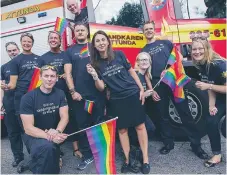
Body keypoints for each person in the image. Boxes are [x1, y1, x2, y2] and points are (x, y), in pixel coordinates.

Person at [141, 21, 208, 159]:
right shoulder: (142, 51)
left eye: (150, 28)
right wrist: (151, 90)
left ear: (154, 30)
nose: (148, 31)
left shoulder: (165, 43)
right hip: (157, 84)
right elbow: (145, 73)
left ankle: (196, 146)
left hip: (174, 81)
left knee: (185, 112)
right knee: (163, 116)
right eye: (146, 29)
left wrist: (169, 70)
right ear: (143, 32)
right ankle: (168, 143)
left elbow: (177, 57)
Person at [87, 30, 150, 174]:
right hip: (115, 99)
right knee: (122, 130)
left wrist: (141, 89)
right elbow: (101, 88)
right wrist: (95, 76)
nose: (101, 43)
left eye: (103, 39)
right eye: (98, 41)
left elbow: (132, 72)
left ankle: (145, 160)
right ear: (94, 45)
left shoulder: (119, 54)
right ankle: (128, 160)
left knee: (140, 126)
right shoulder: (95, 64)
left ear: (108, 41)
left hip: (132, 94)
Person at [64, 23, 105, 170]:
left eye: (82, 30)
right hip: (79, 97)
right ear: (74, 34)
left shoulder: (94, 47)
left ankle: (100, 153)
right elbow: (67, 73)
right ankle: (87, 156)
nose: (80, 32)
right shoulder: (69, 51)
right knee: (83, 127)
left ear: (87, 32)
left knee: (99, 124)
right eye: (77, 30)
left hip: (97, 94)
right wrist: (73, 91)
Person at [20, 65, 69, 174]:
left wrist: (57, 131)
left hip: (54, 131)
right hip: (33, 135)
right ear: (40, 77)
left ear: (56, 78)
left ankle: (35, 163)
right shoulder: (28, 98)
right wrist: (50, 136)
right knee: (48, 147)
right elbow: (28, 128)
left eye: (52, 76)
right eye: (46, 76)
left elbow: (65, 116)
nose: (49, 79)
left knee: (49, 153)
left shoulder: (60, 93)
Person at [40, 30, 82, 158]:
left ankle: (76, 149)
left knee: (71, 119)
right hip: (50, 94)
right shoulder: (43, 58)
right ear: (48, 40)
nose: (53, 40)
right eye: (51, 38)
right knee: (52, 122)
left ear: (60, 41)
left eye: (55, 38)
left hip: (67, 93)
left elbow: (71, 72)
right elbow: (39, 77)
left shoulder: (66, 54)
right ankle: (54, 150)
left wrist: (66, 76)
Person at [191, 37, 226, 167]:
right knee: (210, 120)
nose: (197, 51)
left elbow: (210, 86)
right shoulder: (201, 65)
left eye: (200, 48)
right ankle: (217, 155)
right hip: (222, 98)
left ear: (207, 49)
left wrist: (208, 86)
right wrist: (211, 106)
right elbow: (210, 84)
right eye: (194, 49)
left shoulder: (219, 64)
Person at [7, 33, 42, 124]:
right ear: (21, 43)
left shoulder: (40, 59)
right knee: (25, 125)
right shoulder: (15, 61)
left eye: (29, 41)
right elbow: (12, 84)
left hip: (37, 95)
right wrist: (5, 86)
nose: (26, 43)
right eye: (24, 41)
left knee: (40, 122)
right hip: (22, 97)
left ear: (32, 43)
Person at [1, 42, 23, 167]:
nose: (12, 52)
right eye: (9, 51)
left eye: (14, 50)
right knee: (13, 132)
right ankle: (18, 157)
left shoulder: (25, 64)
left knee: (28, 131)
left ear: (18, 49)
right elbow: (1, 86)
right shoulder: (4, 67)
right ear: (7, 53)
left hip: (24, 103)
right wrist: (0, 103)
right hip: (9, 103)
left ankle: (35, 154)